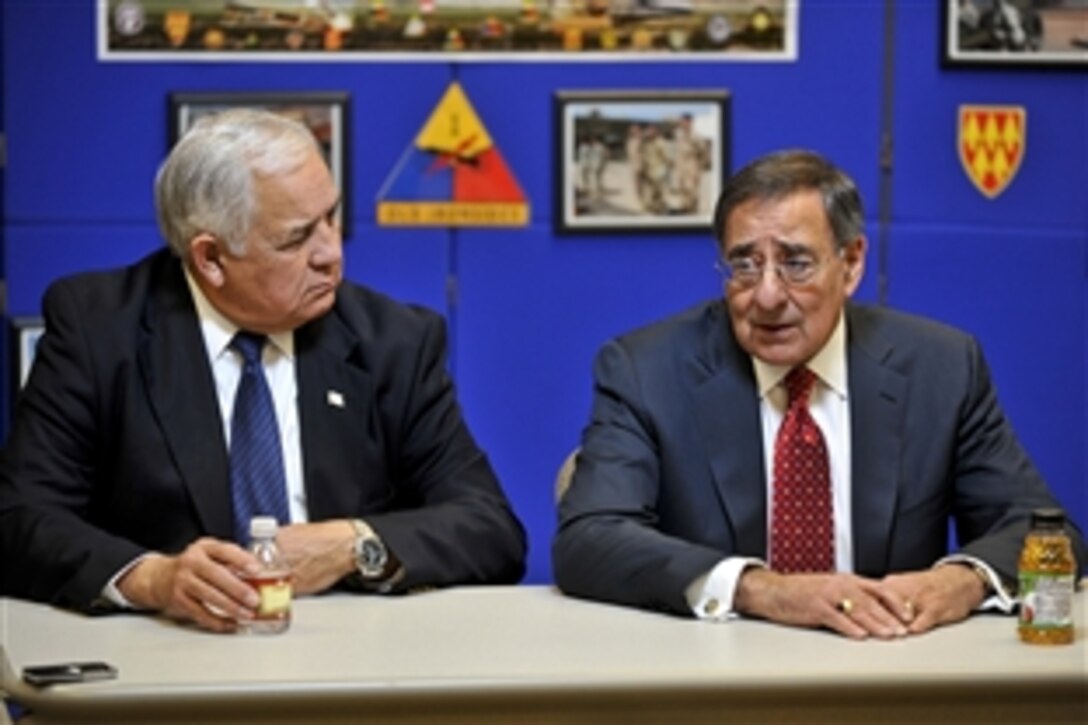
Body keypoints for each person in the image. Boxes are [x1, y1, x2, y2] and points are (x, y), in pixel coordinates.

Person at [0, 108, 526, 633]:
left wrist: (353, 545)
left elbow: (491, 529)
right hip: (168, 658)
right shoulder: (100, 330)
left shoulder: (392, 341)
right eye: (296, 240)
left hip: (349, 661)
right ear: (210, 258)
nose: (331, 253)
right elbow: (20, 518)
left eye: (332, 216)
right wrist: (155, 579)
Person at [553, 149, 1085, 639]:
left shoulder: (940, 368)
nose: (766, 295)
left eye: (796, 263)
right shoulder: (647, 369)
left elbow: (1044, 534)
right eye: (744, 265)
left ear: (851, 264)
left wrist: (959, 581)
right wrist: (766, 590)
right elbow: (590, 537)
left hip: (887, 670)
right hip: (710, 675)